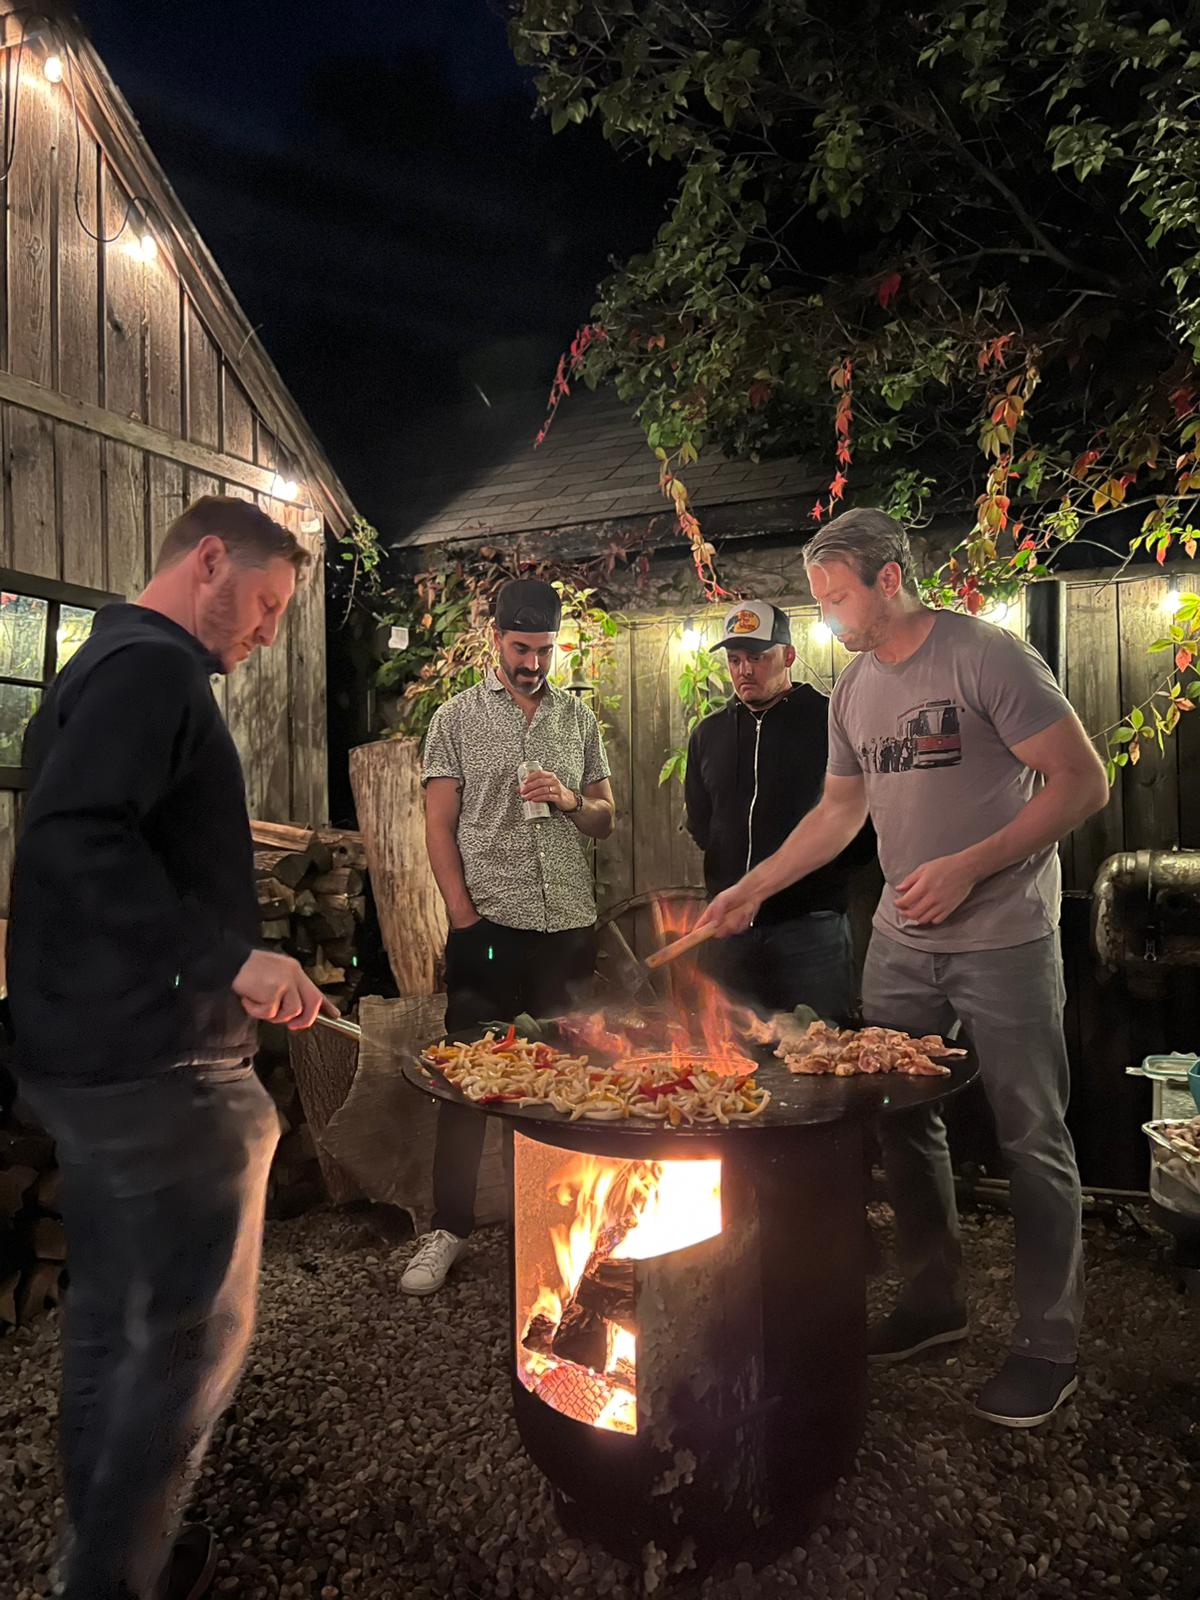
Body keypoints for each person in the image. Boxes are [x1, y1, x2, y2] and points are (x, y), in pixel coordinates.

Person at [698, 507, 1109, 1428]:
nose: (830, 615)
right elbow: (840, 814)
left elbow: (1085, 783)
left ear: (890, 579)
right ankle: (934, 1302)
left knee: (1031, 1134)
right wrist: (753, 887)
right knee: (897, 1121)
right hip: (902, 941)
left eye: (837, 596)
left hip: (1003, 933)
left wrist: (971, 863)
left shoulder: (987, 656)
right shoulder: (853, 691)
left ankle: (1049, 1345)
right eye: (821, 599)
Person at [6, 496, 335, 1600]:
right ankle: (113, 1574)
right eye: (267, 602)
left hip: (93, 1059)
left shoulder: (97, 667)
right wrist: (227, 960)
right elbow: (72, 842)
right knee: (188, 1335)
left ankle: (105, 1552)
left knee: (113, 1316)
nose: (268, 631)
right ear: (208, 562)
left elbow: (86, 834)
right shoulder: (152, 672)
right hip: (158, 1069)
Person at [402, 577, 615, 1297]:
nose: (533, 663)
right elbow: (437, 825)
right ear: (495, 640)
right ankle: (448, 1229)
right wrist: (463, 917)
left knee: (569, 1080)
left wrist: (571, 799)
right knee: (467, 1082)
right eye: (521, 648)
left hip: (568, 928)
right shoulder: (456, 718)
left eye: (545, 650)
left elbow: (605, 819)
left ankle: (563, 1223)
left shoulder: (578, 718)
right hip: (488, 927)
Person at [684, 599, 873, 1023]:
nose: (744, 670)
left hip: (810, 928)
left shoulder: (829, 720)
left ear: (788, 656)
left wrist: (823, 884)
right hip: (728, 932)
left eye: (757, 657)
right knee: (728, 1058)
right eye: (734, 659)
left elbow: (862, 823)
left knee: (823, 1054)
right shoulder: (708, 734)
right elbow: (701, 823)